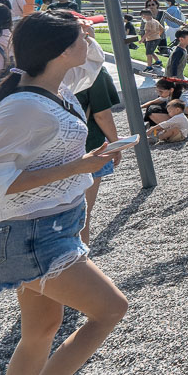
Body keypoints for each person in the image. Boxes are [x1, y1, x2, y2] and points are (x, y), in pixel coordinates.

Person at [0, 11, 129, 375]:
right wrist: (78, 167)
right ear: (62, 51)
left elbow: (91, 66)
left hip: (48, 226)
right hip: (32, 233)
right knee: (111, 309)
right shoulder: (24, 106)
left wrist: (84, 33)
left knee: (40, 331)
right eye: (81, 39)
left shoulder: (55, 85)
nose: (88, 42)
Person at [74, 68, 121, 244]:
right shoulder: (91, 69)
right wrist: (115, 144)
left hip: (49, 152)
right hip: (87, 146)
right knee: (82, 212)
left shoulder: (39, 64)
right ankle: (80, 261)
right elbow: (102, 115)